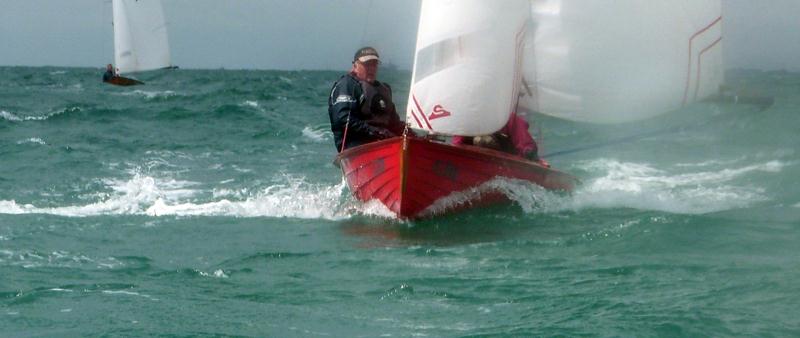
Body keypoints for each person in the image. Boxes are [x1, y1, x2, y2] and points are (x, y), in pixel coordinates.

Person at [328, 47, 405, 152]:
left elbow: (394, 123)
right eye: (367, 64)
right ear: (355, 66)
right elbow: (343, 119)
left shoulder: (384, 89)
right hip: (356, 146)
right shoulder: (347, 85)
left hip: (384, 144)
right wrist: (376, 132)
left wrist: (415, 133)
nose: (371, 68)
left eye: (374, 64)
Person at [452, 112, 549, 166]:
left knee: (483, 140)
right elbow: (457, 143)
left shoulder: (508, 118)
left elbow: (526, 144)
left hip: (505, 163)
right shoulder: (469, 119)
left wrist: (532, 156)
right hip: (473, 160)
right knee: (479, 139)